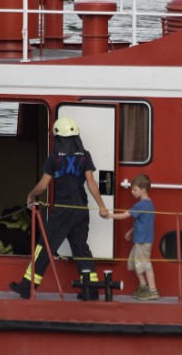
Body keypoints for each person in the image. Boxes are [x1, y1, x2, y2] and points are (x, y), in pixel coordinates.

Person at [9, 116, 109, 301]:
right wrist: (102, 207)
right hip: (81, 210)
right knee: (81, 249)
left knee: (44, 246)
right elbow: (91, 183)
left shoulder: (54, 159)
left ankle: (26, 287)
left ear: (58, 137)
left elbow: (43, 185)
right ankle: (91, 291)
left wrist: (31, 196)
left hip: (62, 210)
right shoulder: (85, 156)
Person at [108, 174, 158, 300]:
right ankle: (143, 286)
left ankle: (152, 290)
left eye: (134, 189)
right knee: (135, 263)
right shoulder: (148, 204)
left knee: (145, 264)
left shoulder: (141, 205)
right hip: (141, 239)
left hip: (143, 240)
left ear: (143, 189)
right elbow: (143, 221)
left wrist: (108, 215)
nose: (132, 192)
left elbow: (125, 215)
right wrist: (131, 230)